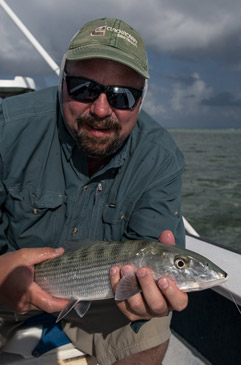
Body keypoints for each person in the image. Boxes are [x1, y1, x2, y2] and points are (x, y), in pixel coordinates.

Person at [0, 18, 188, 365]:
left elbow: (150, 250)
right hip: (5, 285)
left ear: (141, 100)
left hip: (101, 298)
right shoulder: (6, 128)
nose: (101, 110)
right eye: (83, 88)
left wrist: (146, 301)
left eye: (123, 96)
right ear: (61, 84)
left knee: (152, 328)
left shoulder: (160, 158)